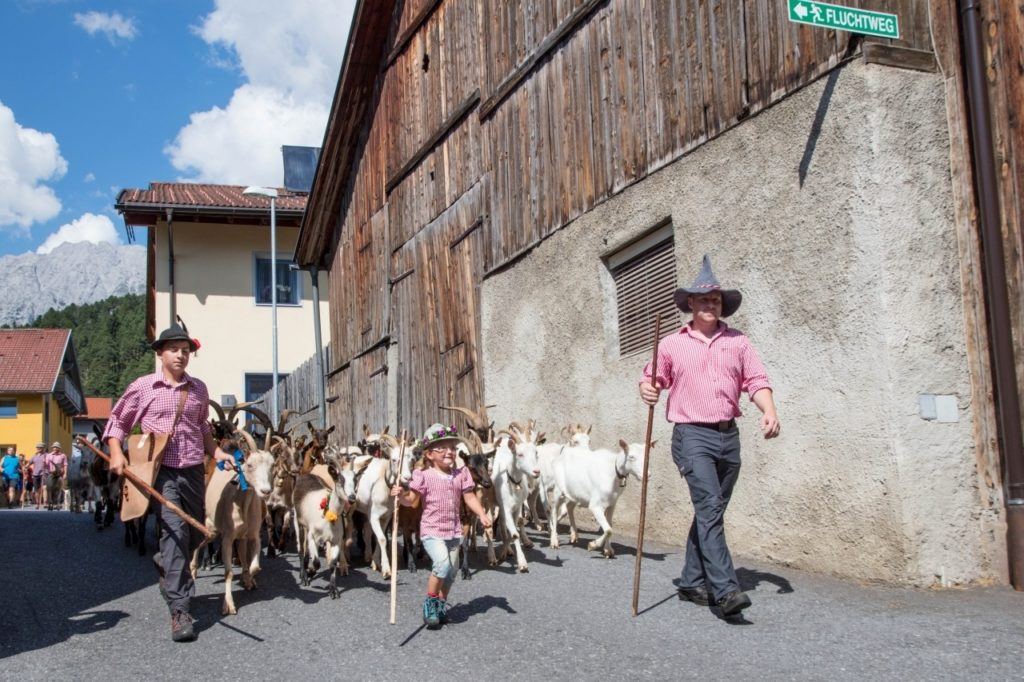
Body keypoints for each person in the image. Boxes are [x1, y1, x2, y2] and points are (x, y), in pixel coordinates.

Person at [639, 255, 780, 618]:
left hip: (728, 436)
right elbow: (652, 378)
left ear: (722, 305)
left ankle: (690, 580)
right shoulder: (671, 344)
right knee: (710, 508)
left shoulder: (739, 342)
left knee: (710, 511)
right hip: (691, 436)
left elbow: (756, 381)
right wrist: (649, 388)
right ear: (690, 304)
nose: (710, 304)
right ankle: (726, 590)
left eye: (715, 300)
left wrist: (769, 410)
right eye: (703, 299)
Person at [103, 321, 234, 642]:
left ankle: (165, 562)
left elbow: (202, 427)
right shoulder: (143, 387)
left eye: (186, 351)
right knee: (175, 531)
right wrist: (116, 453)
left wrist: (217, 453)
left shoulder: (199, 388)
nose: (180, 356)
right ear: (160, 353)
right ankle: (180, 609)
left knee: (195, 531)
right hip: (161, 471)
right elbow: (118, 421)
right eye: (174, 350)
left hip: (192, 470)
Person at [391, 424, 493, 629]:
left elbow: (470, 496)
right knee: (442, 565)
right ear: (429, 454)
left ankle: (440, 603)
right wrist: (400, 495)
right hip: (431, 531)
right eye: (442, 448)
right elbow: (411, 500)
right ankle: (429, 604)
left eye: (452, 448)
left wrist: (481, 513)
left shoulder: (461, 474)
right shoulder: (423, 475)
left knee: (452, 571)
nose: (449, 451)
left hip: (454, 532)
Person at [44, 442, 67, 511]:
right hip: (51, 474)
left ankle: (58, 503)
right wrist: (44, 463)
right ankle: (50, 503)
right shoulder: (48, 455)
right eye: (54, 447)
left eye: (56, 447)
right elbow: (46, 464)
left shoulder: (63, 455)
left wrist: (65, 473)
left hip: (59, 475)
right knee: (49, 489)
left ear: (59, 448)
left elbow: (65, 465)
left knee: (59, 490)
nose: (55, 448)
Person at [28, 444, 47, 509]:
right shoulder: (34, 456)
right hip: (35, 474)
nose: (39, 449)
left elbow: (50, 463)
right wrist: (26, 466)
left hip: (44, 473)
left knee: (44, 488)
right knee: (36, 490)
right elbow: (29, 463)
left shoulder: (46, 455)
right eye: (38, 448)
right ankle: (37, 503)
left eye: (40, 447)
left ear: (43, 448)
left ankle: (45, 503)